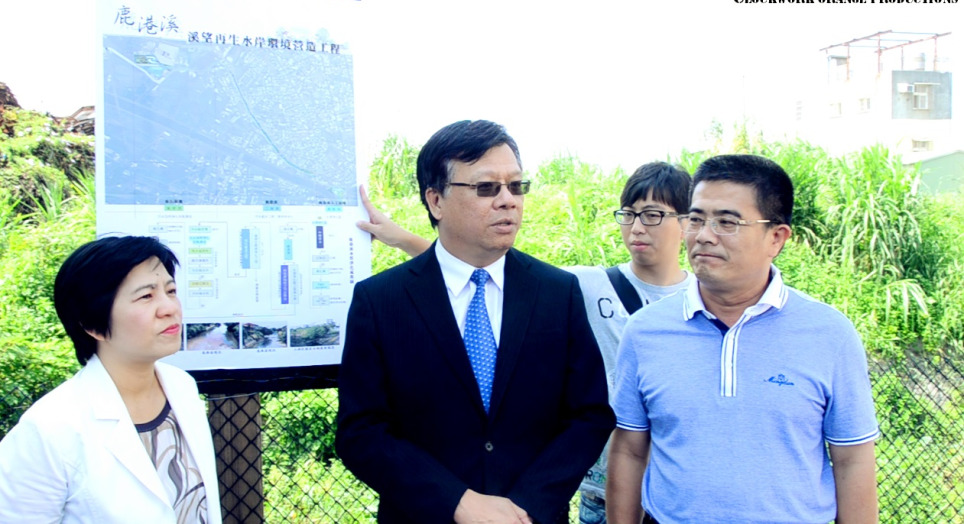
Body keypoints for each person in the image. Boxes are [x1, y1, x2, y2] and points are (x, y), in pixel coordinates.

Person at [356, 161, 695, 524]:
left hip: (678, 489)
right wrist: (400, 238)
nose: (637, 227)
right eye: (628, 214)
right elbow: (474, 275)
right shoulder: (583, 283)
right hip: (603, 488)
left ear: (687, 222)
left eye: (653, 215)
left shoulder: (703, 303)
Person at [336, 119, 614, 524]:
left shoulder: (557, 292)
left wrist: (526, 507)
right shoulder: (381, 301)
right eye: (486, 188)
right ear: (436, 201)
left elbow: (589, 416)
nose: (508, 200)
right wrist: (458, 502)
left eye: (516, 186)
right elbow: (361, 432)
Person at [607, 154, 880, 524]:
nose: (704, 235)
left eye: (727, 222)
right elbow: (630, 450)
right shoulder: (645, 331)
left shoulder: (829, 334)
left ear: (776, 238)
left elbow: (853, 460)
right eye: (696, 219)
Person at [0, 236, 222, 524]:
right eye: (146, 296)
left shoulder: (182, 387)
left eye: (171, 291)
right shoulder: (48, 429)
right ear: (93, 325)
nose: (169, 308)